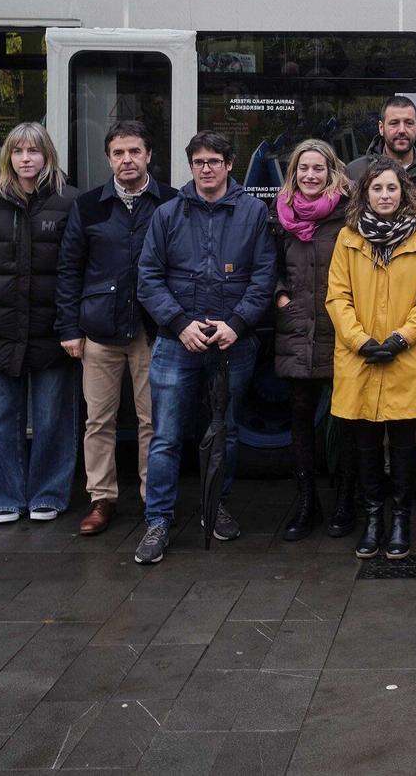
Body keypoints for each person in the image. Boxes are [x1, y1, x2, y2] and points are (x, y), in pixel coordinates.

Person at [133, 132, 279, 566]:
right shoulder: (168, 213)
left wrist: (236, 324)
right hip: (177, 341)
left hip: (233, 342)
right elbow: (148, 277)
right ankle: (157, 521)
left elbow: (263, 278)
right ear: (190, 166)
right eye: (198, 161)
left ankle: (216, 509)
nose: (206, 168)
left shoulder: (253, 213)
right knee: (166, 437)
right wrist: (179, 324)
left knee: (226, 432)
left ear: (230, 164)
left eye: (214, 160)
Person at [57, 119, 175, 538]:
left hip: (152, 331)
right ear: (108, 159)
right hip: (99, 330)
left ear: (148, 156)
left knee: (152, 421)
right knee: (98, 420)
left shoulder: (170, 203)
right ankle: (101, 498)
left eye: (134, 152)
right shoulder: (88, 205)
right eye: (118, 153)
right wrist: (69, 327)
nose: (127, 160)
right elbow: (70, 269)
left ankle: (152, 499)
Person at [0, 123, 79, 523]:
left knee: (53, 420)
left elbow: (78, 264)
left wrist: (71, 319)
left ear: (48, 156)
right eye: (17, 152)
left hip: (51, 331)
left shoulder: (69, 201)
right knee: (1, 420)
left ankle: (48, 494)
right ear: (7, 157)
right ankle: (5, 497)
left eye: (34, 151)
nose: (26, 159)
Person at [325, 160, 416, 559]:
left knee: (406, 444)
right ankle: (374, 519)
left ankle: (400, 520)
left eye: (392, 188)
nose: (385, 195)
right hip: (359, 357)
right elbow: (337, 297)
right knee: (366, 443)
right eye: (377, 189)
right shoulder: (347, 238)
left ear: (404, 192)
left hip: (405, 356)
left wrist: (400, 338)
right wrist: (360, 341)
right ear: (366, 194)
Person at [348, 94, 416, 506]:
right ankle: (381, 485)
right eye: (393, 123)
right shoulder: (353, 172)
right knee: (372, 408)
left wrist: (410, 329)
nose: (401, 130)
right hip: (367, 317)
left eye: (409, 122)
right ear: (381, 128)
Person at [270, 139, 355, 541]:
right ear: (293, 173)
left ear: (331, 171)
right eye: (303, 168)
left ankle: (344, 501)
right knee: (301, 420)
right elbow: (266, 266)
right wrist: (280, 297)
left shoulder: (349, 213)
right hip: (296, 328)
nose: (310, 175)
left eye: (318, 168)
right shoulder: (279, 214)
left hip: (340, 330)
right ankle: (307, 504)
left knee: (345, 422)